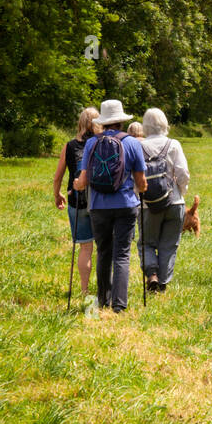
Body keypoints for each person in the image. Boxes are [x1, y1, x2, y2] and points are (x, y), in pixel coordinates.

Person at [72, 99, 147, 312]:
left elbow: (83, 180)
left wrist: (77, 184)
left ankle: (103, 300)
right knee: (121, 254)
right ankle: (119, 305)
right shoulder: (132, 143)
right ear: (121, 122)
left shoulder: (91, 143)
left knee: (103, 251)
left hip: (98, 206)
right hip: (125, 205)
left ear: (103, 122)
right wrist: (142, 188)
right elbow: (141, 182)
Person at [138, 107, 190, 293]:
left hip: (147, 204)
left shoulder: (139, 146)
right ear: (165, 124)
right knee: (169, 244)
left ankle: (152, 274)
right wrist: (180, 192)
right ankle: (163, 283)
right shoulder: (173, 144)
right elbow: (183, 173)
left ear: (145, 126)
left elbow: (135, 176)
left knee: (147, 242)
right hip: (174, 202)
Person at [53, 107, 101, 301]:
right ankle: (106, 288)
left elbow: (58, 176)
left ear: (80, 122)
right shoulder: (102, 143)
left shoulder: (70, 146)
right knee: (104, 247)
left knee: (85, 248)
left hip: (77, 200)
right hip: (100, 201)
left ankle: (84, 291)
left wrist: (57, 194)